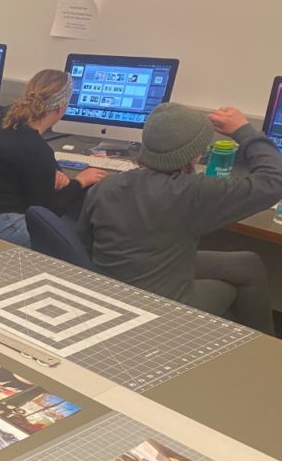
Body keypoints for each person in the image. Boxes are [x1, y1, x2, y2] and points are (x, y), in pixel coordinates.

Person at [77, 103, 282, 335]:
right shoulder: (193, 194)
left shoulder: (106, 186)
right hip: (153, 311)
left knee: (246, 263)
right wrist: (244, 131)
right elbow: (274, 181)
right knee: (226, 289)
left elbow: (84, 243)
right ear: (194, 155)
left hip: (111, 293)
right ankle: (261, 352)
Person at [0, 69, 106, 246]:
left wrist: (51, 171)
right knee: (79, 239)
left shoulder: (6, 116)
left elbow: (23, 162)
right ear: (61, 108)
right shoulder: (35, 148)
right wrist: (80, 181)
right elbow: (47, 211)